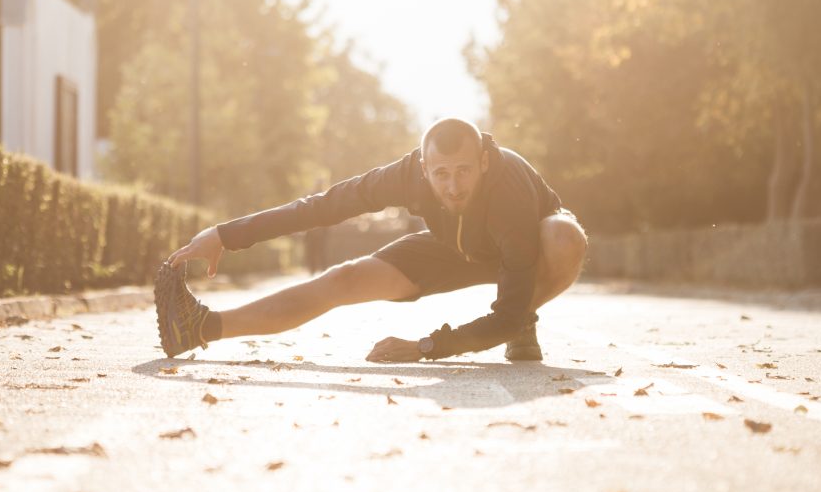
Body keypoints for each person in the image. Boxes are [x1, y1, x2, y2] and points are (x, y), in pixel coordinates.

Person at [155, 117, 587, 363]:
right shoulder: (404, 177)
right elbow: (322, 207)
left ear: (484, 162)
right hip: (452, 249)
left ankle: (526, 326)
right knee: (343, 278)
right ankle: (200, 328)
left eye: (464, 171)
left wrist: (427, 346)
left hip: (526, 252)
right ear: (422, 168)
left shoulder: (507, 194)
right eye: (441, 173)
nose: (453, 186)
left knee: (564, 236)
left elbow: (505, 311)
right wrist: (224, 236)